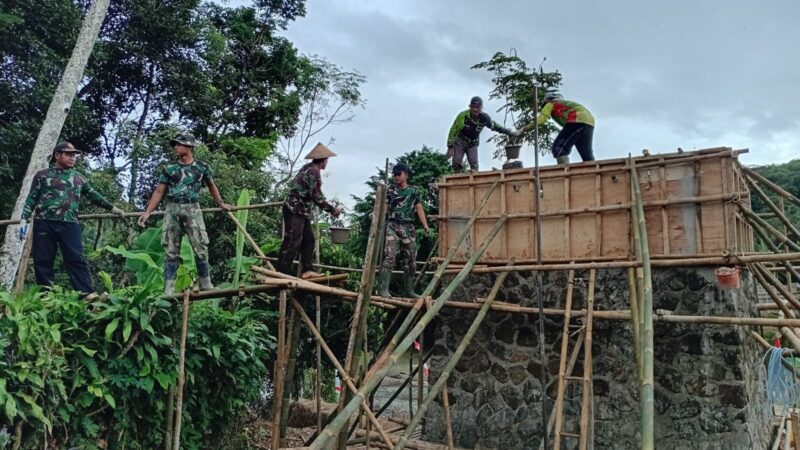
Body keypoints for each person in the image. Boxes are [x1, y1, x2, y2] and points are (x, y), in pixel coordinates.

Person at [20, 142, 125, 297]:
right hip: (44, 222)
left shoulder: (78, 178)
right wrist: (24, 220)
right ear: (57, 155)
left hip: (69, 223)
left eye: (74, 155)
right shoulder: (42, 175)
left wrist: (113, 209)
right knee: (43, 260)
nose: (73, 158)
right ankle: (46, 295)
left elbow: (94, 195)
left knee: (76, 258)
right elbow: (32, 198)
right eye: (68, 154)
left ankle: (86, 293)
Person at [138, 133, 231, 294]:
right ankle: (169, 288)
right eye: (175, 144)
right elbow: (159, 192)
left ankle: (205, 282)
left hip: (192, 208)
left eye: (179, 144)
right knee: (171, 250)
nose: (176, 147)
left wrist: (221, 203)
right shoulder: (169, 169)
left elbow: (211, 185)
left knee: (200, 247)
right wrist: (148, 212)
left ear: (189, 147)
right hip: (172, 209)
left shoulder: (202, 167)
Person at [276, 143, 342, 278]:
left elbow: (313, 195)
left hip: (301, 210)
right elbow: (316, 197)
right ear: (324, 160)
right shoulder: (313, 171)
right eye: (327, 160)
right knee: (293, 240)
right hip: (294, 209)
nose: (327, 163)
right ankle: (282, 270)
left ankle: (307, 269)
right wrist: (332, 210)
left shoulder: (308, 168)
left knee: (308, 239)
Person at [377, 163, 429, 298]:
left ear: (406, 175)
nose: (396, 177)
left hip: (409, 227)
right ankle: (383, 290)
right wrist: (379, 221)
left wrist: (425, 225)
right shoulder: (391, 190)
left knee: (411, 259)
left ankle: (409, 290)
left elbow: (419, 208)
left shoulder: (414, 191)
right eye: (394, 175)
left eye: (398, 174)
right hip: (393, 225)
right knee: (390, 255)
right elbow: (385, 207)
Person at [447, 96, 519, 172]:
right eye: (473, 107)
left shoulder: (485, 118)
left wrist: (508, 132)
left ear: (481, 108)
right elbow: (453, 130)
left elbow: (495, 126)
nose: (475, 110)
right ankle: (456, 179)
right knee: (456, 163)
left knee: (474, 164)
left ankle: (474, 180)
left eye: (477, 107)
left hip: (472, 143)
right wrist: (450, 146)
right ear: (470, 107)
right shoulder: (463, 116)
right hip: (460, 141)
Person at [522, 90, 595, 164]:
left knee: (559, 148)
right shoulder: (566, 105)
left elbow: (541, 120)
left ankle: (565, 173)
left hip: (577, 119)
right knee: (586, 153)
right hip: (590, 122)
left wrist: (523, 129)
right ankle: (594, 172)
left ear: (547, 100)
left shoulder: (551, 104)